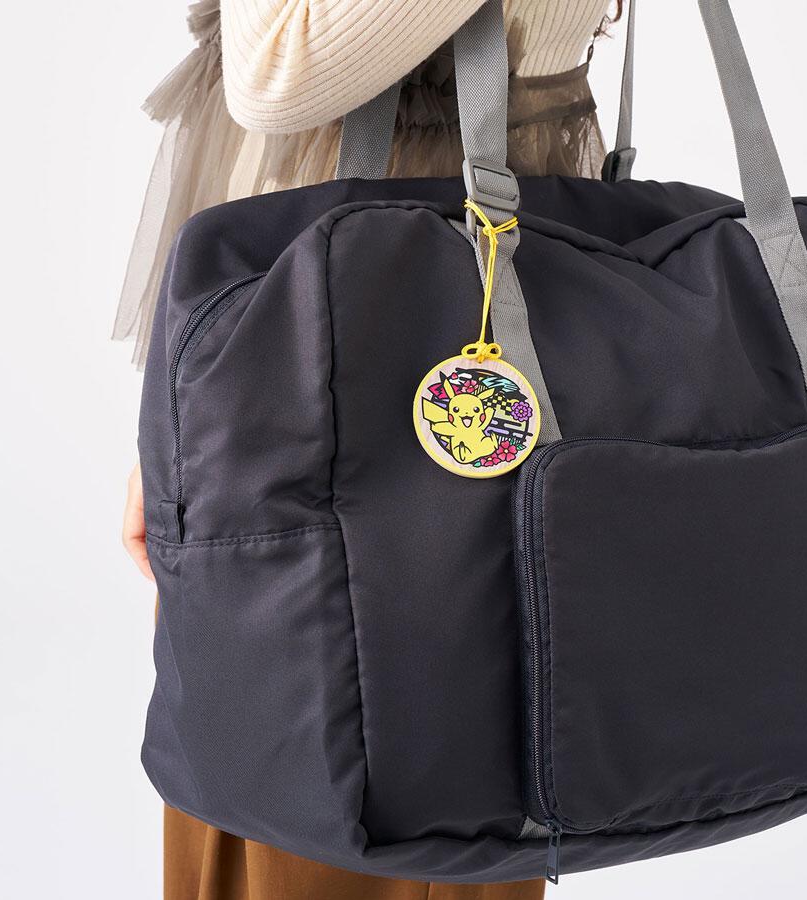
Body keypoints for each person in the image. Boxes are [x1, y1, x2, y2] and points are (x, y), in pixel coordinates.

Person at [120, 1, 622, 897]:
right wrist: (180, 416)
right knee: (321, 782)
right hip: (309, 343)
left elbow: (281, 67)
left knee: (316, 798)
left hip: (376, 345)